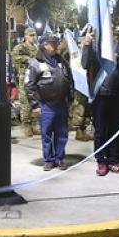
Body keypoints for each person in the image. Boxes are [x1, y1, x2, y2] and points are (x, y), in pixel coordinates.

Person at [81, 25, 119, 176]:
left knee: (116, 130)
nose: (117, 38)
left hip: (118, 96)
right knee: (100, 130)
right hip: (99, 95)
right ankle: (101, 161)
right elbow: (85, 64)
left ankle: (114, 160)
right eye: (114, 34)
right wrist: (87, 44)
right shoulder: (98, 49)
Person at [25, 34, 74, 171]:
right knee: (46, 134)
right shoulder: (35, 63)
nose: (55, 46)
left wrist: (70, 99)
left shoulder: (61, 61)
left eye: (56, 43)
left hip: (61, 104)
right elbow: (29, 85)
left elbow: (69, 81)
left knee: (62, 133)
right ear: (44, 45)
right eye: (52, 44)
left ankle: (59, 158)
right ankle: (48, 160)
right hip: (45, 104)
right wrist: (35, 105)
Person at [12, 27, 40, 137]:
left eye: (34, 35)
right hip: (24, 77)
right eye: (31, 35)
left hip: (35, 78)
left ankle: (33, 125)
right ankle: (26, 125)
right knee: (25, 102)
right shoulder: (20, 47)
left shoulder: (36, 48)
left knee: (34, 101)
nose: (33, 37)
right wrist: (27, 58)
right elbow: (14, 57)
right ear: (25, 36)